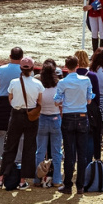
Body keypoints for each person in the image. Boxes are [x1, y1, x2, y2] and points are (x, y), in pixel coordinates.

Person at [0, 57, 42, 190]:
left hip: (16, 113)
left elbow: (10, 99)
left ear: (21, 68)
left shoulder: (14, 82)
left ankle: (1, 178)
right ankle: (22, 180)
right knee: (29, 147)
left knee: (10, 146)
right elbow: (39, 101)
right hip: (31, 114)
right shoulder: (37, 84)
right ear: (32, 69)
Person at [54, 56, 94, 194]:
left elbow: (57, 101)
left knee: (69, 153)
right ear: (77, 65)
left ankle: (68, 185)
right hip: (82, 116)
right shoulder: (86, 80)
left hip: (68, 116)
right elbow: (89, 100)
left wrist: (64, 100)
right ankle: (80, 186)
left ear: (66, 66)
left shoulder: (62, 82)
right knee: (82, 153)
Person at [0, 48, 23, 166]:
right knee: (19, 133)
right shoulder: (24, 70)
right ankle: (18, 159)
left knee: (0, 132)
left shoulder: (1, 69)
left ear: (10, 56)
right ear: (21, 58)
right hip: (18, 101)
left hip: (3, 101)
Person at [33, 59, 62, 188]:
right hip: (55, 118)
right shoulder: (58, 86)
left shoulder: (39, 86)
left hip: (42, 118)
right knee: (56, 152)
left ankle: (37, 179)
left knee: (40, 151)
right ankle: (57, 179)